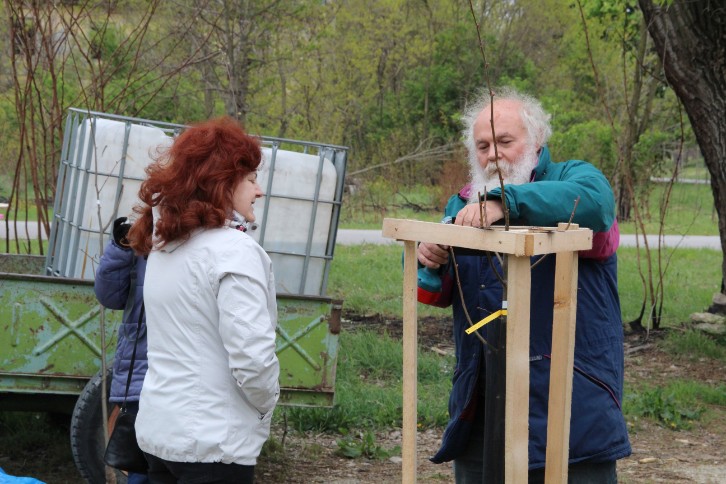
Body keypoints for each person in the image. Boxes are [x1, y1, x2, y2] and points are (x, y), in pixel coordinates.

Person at [417, 86, 630, 483]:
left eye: (505, 141)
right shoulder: (463, 204)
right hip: (483, 406)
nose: (492, 155)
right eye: (482, 146)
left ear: (537, 140)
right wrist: (428, 253)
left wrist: (505, 202)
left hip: (571, 405)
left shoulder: (576, 179)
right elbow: (434, 291)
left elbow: (597, 206)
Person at [126, 116, 280, 484]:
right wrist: (265, 406)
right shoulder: (233, 252)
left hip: (161, 434)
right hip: (213, 443)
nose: (259, 191)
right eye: (251, 179)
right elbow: (253, 358)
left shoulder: (166, 247)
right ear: (222, 183)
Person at [94, 216, 150, 484]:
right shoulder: (149, 233)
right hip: (141, 373)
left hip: (186, 378)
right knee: (142, 467)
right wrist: (121, 247)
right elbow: (110, 296)